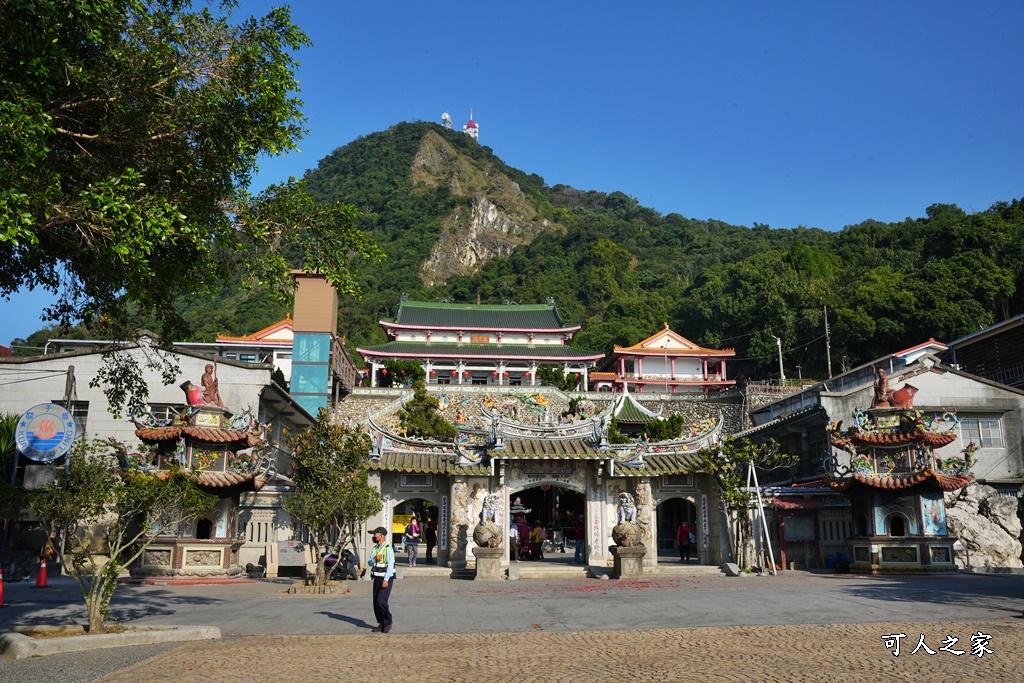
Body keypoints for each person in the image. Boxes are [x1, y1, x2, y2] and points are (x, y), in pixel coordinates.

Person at [367, 526, 395, 633]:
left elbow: (391, 565)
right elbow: (369, 562)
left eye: (375, 534)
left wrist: (386, 579)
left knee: (381, 601)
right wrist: (374, 559)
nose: (374, 536)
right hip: (376, 578)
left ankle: (388, 621)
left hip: (385, 579)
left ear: (381, 536)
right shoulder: (375, 549)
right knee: (375, 602)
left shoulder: (387, 548)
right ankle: (381, 623)